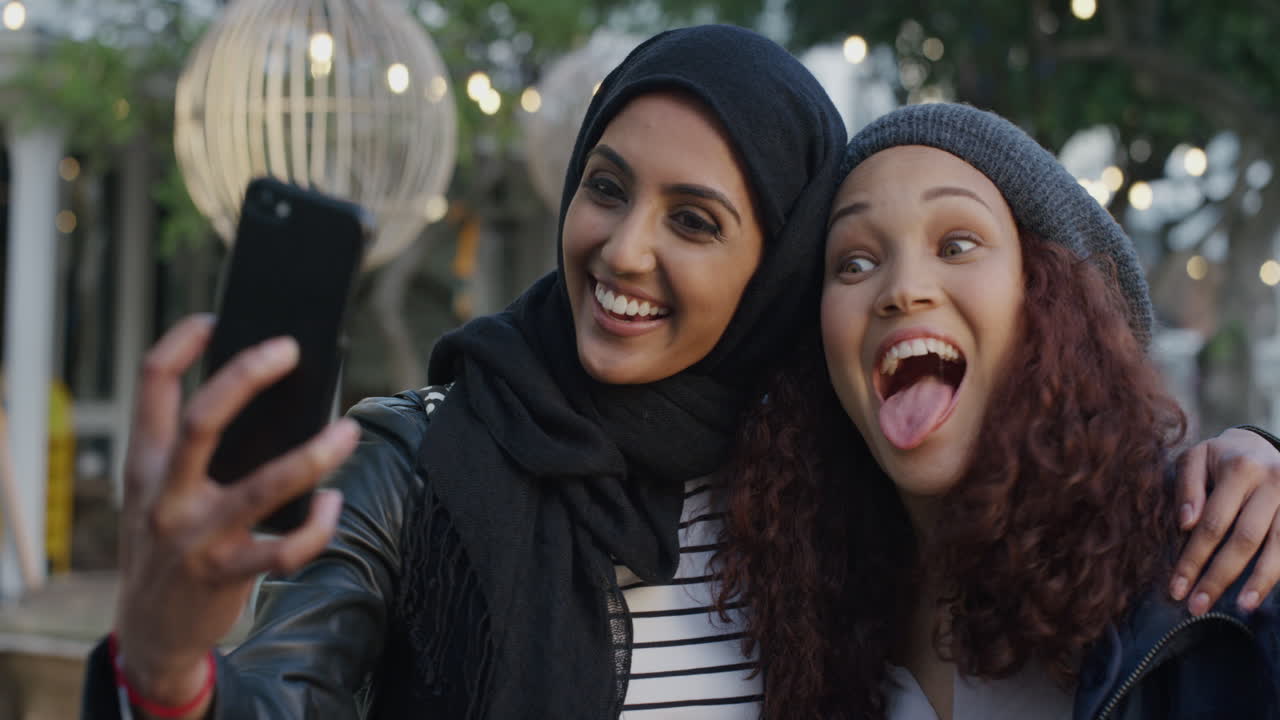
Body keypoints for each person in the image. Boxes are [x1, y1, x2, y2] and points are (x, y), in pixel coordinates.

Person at [85, 29, 1278, 719]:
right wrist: (170, 664)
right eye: (605, 188)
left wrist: (1239, 463)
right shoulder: (418, 460)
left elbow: (1060, 508)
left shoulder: (822, 485)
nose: (624, 247)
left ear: (774, 275)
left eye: (696, 220)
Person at [718, 102, 1280, 720]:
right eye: (853, 262)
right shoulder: (794, 602)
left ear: (1047, 302)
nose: (903, 288)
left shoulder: (1216, 571)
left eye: (957, 244)